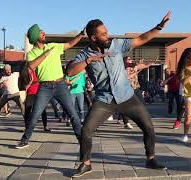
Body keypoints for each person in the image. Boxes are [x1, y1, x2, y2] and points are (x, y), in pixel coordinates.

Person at [67, 12, 171, 177]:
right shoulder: (85, 54)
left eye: (106, 31)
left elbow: (141, 39)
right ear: (93, 38)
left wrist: (159, 27)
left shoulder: (117, 45)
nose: (107, 35)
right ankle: (86, 164)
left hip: (127, 97)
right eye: (103, 34)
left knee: (149, 127)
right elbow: (70, 71)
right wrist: (88, 61)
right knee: (86, 130)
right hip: (104, 100)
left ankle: (150, 159)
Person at [15, 24, 84, 149]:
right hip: (44, 87)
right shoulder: (31, 53)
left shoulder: (53, 46)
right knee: (35, 115)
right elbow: (31, 66)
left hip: (60, 85)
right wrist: (45, 54)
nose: (44, 33)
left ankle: (81, 140)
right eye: (41, 33)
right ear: (36, 38)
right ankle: (25, 140)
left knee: (73, 113)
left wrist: (81, 35)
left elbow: (69, 44)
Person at [20, 62, 51, 132]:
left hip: (39, 92)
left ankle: (45, 126)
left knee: (43, 110)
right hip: (30, 94)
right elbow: (24, 88)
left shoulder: (37, 71)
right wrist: (30, 82)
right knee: (27, 111)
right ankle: (27, 127)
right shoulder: (25, 75)